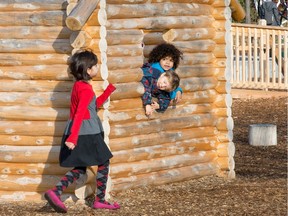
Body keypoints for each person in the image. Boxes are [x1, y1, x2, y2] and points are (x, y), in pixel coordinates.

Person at [44, 49, 120, 213]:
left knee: (80, 167)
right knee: (104, 161)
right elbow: (79, 114)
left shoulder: (80, 86)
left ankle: (55, 191)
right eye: (95, 65)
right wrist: (73, 137)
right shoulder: (84, 89)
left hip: (82, 129)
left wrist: (107, 92)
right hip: (86, 131)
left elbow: (91, 107)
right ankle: (100, 200)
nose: (97, 67)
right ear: (88, 70)